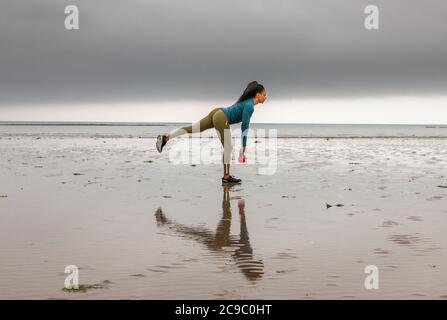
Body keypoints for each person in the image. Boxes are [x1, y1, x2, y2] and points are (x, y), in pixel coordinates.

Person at [156, 81, 267, 184]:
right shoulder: (249, 106)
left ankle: (166, 137)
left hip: (217, 112)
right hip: (222, 117)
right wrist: (243, 146)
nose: (265, 97)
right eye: (264, 94)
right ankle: (226, 177)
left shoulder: (246, 103)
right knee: (228, 147)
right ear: (257, 95)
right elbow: (245, 125)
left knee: (194, 128)